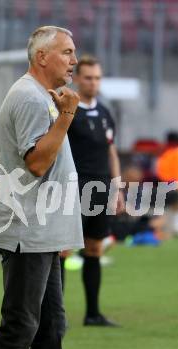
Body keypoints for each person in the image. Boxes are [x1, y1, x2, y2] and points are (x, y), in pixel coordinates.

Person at [0, 26, 83, 349]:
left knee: (51, 327)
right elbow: (37, 162)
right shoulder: (31, 97)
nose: (74, 60)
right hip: (27, 229)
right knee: (21, 326)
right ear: (42, 57)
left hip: (43, 230)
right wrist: (66, 116)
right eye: (67, 52)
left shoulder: (42, 95)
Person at [61, 55, 125, 327]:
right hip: (74, 188)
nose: (93, 82)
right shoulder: (68, 110)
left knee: (95, 248)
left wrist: (117, 186)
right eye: (88, 77)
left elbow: (111, 151)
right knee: (63, 250)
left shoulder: (105, 112)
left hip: (101, 189)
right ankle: (55, 314)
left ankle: (93, 313)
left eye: (97, 78)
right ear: (76, 78)